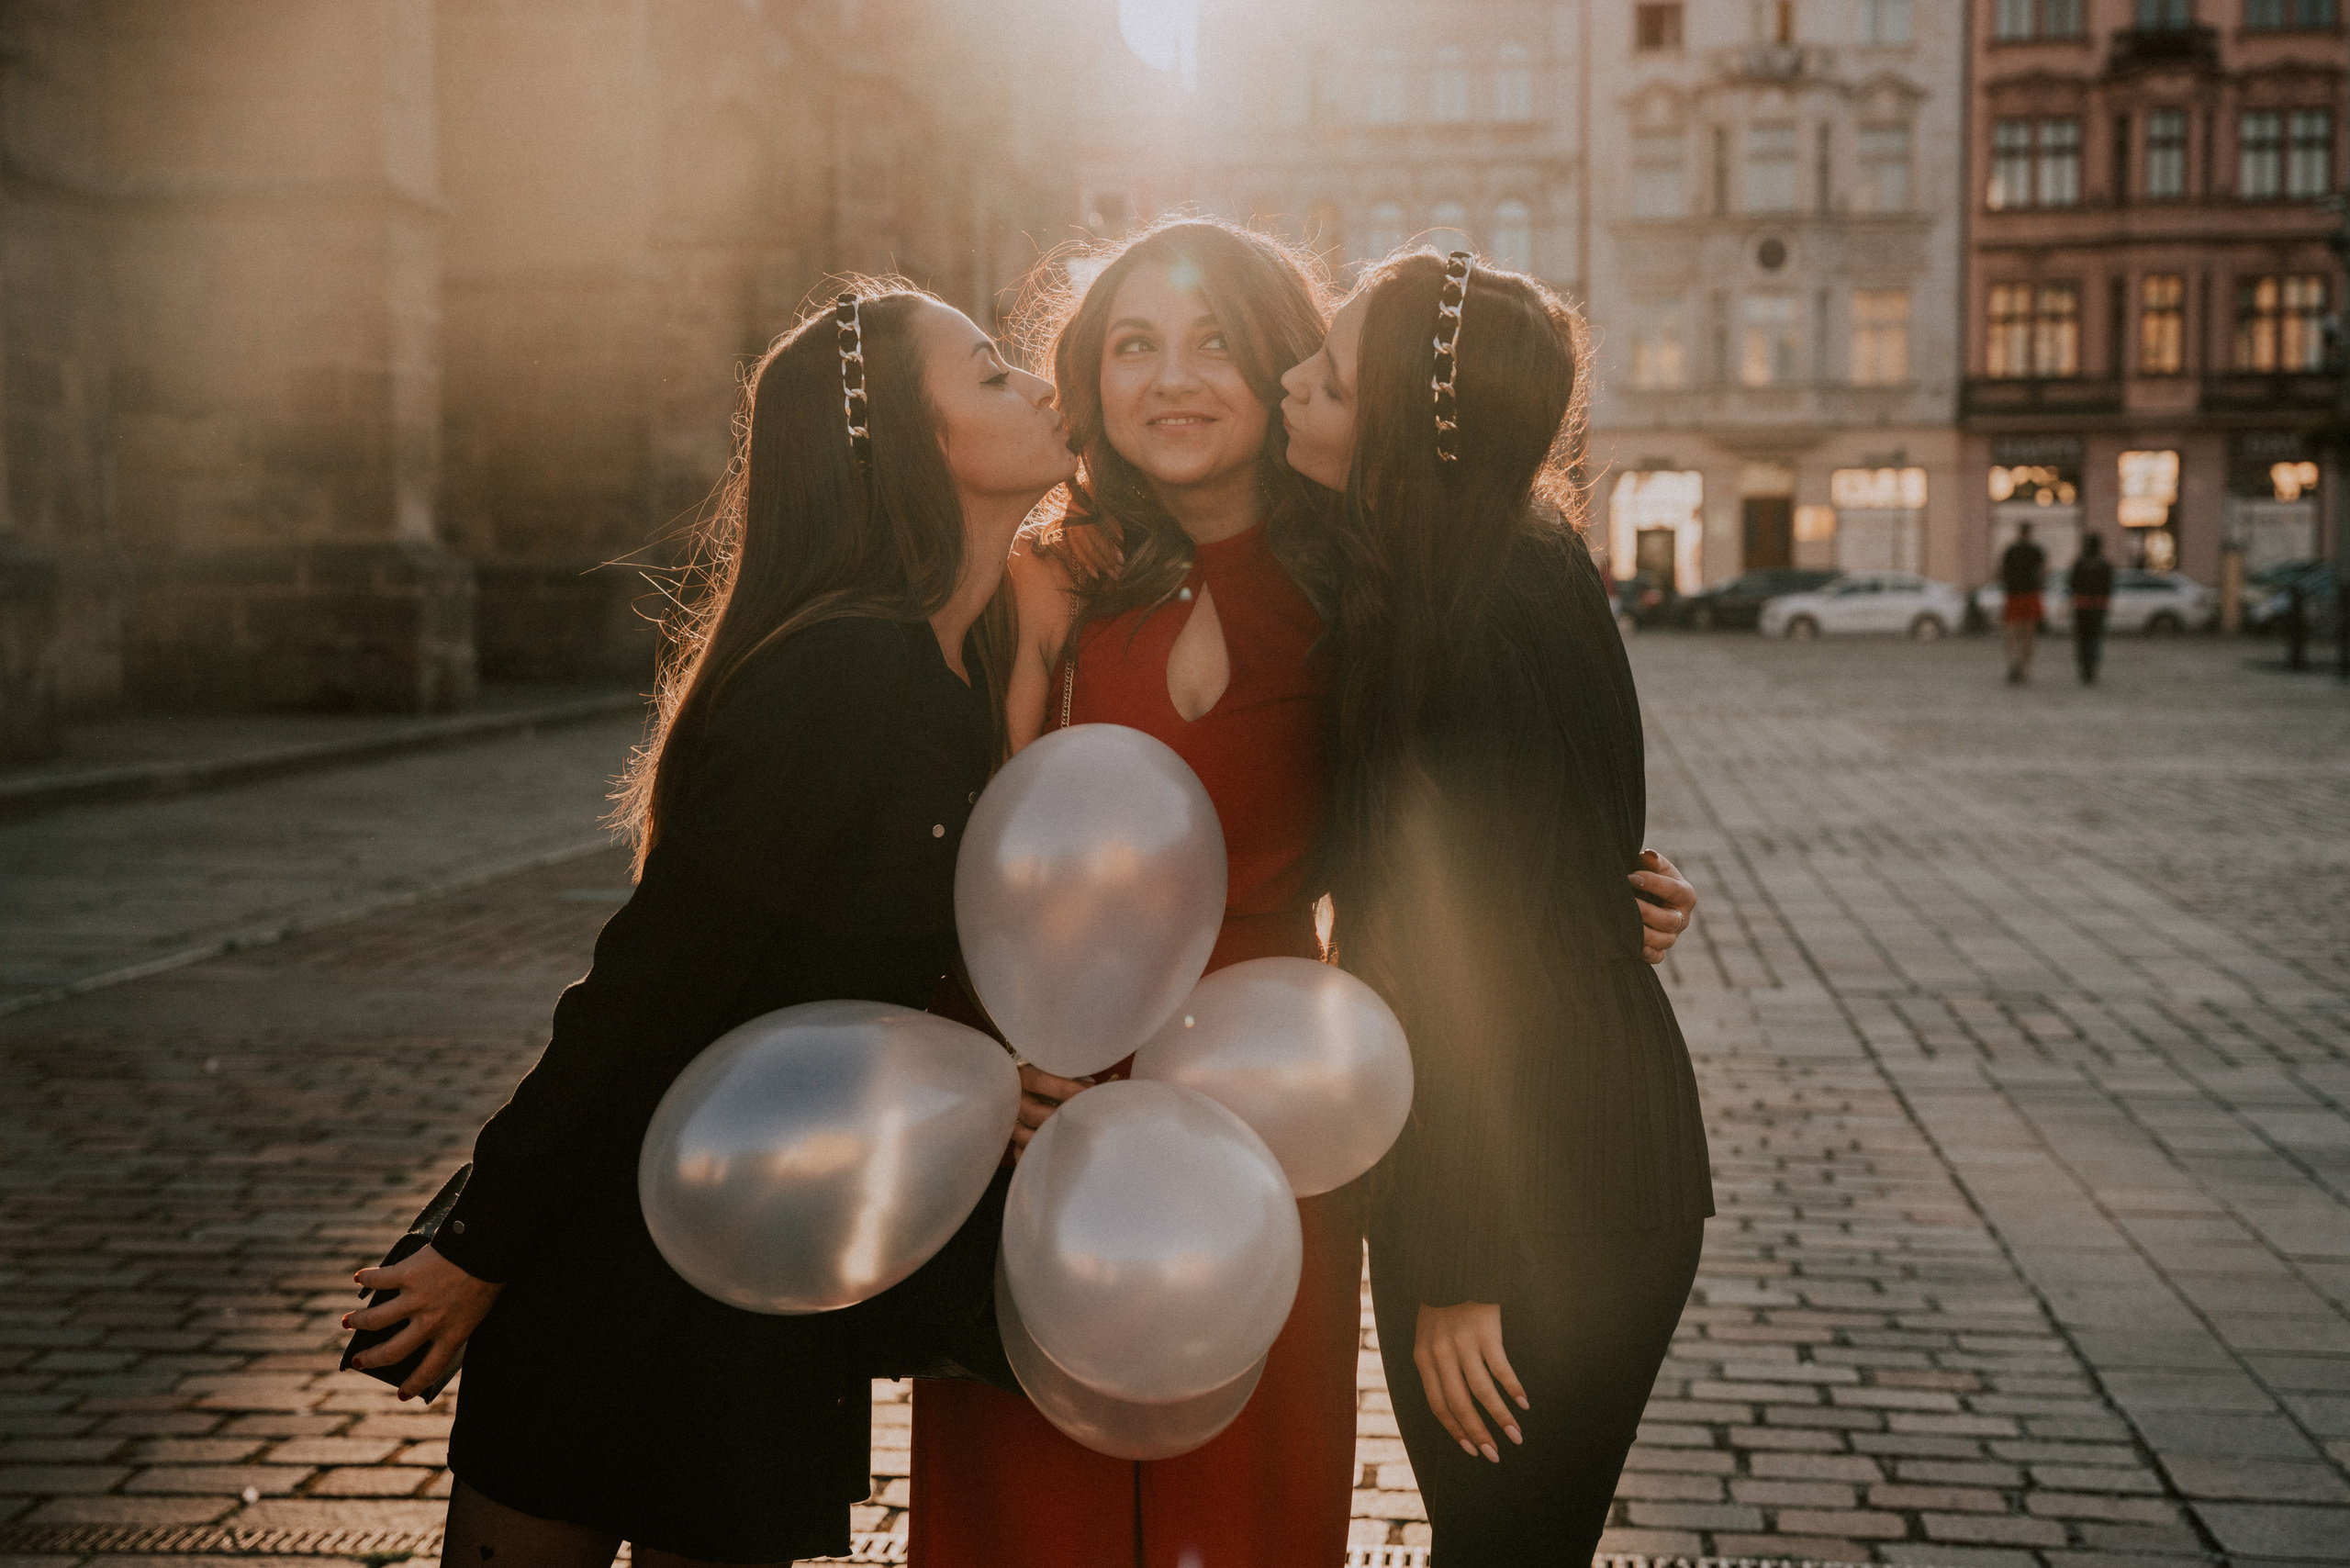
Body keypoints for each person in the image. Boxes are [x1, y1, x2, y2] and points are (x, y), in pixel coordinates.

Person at [911, 219, 1705, 1566]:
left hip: (1274, 1118)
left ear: (1287, 370)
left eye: (1220, 342)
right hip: (1051, 1105)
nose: (1175, 378)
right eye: (1136, 346)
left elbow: (1472, 831)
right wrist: (989, 1050)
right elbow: (957, 852)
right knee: (1033, 1512)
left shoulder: (1377, 585)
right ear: (1091, 377)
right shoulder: (1050, 583)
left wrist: (1604, 890)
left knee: (1248, 1510)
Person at [340, 282, 1079, 1567]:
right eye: (994, 373)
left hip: (772, 1266)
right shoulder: (841, 671)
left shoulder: (950, 671)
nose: (1038, 385)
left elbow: (845, 982)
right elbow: (655, 981)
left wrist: (974, 1080)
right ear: (913, 444)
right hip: (622, 1262)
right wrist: (480, 1241)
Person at [1278, 250, 1714, 1565]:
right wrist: (1616, 895)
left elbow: (1475, 957)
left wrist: (1464, 1259)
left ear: (1408, 421)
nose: (1293, 377)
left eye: (1334, 375)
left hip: (1534, 1194)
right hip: (1592, 1155)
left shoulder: (1455, 614)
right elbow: (1559, 856)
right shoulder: (1517, 556)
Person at [1999, 522, 2047, 684]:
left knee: (2012, 632)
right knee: (2029, 634)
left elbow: (2000, 571)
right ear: (2029, 533)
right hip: (2030, 593)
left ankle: (2012, 663)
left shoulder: (2011, 550)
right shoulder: (2036, 550)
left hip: (2014, 594)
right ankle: (2025, 668)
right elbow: (2044, 570)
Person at [2068, 532, 2114, 685]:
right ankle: (2092, 669)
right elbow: (2109, 586)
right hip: (2098, 605)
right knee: (2095, 638)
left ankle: (2084, 668)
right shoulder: (2105, 564)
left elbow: (2072, 584)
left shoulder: (2079, 562)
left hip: (2081, 604)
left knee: (2082, 638)